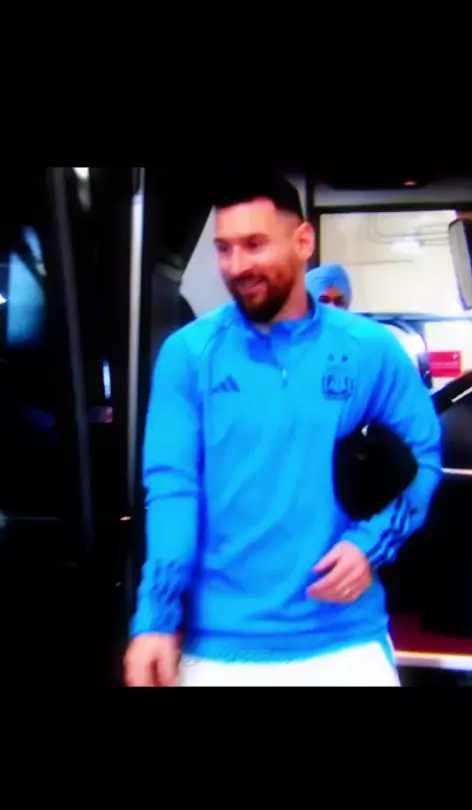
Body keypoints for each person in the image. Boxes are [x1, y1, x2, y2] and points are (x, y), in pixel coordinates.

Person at [124, 172, 442, 688]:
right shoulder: (188, 354)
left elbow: (423, 458)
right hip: (219, 646)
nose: (236, 266)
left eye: (254, 244)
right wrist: (155, 619)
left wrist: (370, 545)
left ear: (303, 242)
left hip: (345, 639)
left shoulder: (372, 349)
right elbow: (172, 491)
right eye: (224, 248)